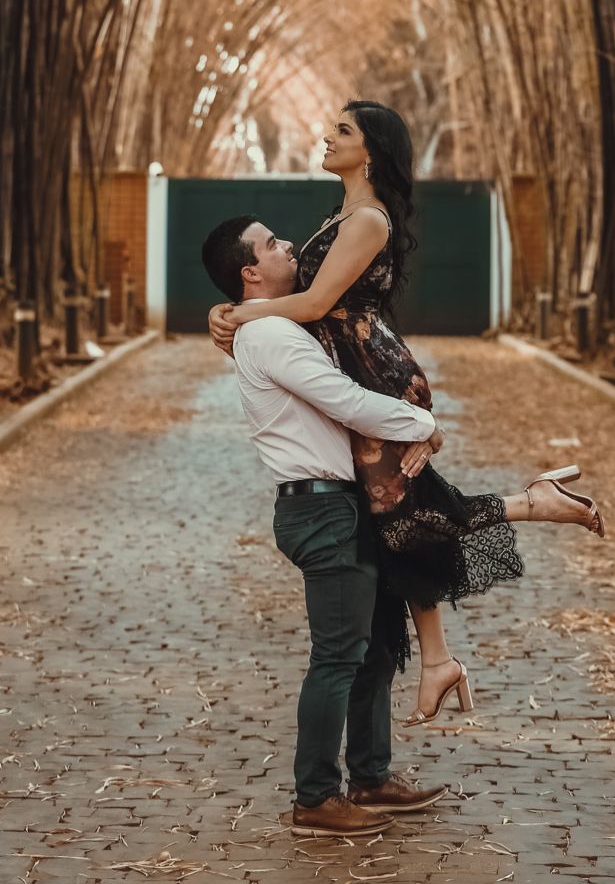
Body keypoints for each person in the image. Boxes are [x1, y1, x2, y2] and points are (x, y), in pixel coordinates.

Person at [209, 100, 605, 727]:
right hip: (356, 365)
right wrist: (230, 313)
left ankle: (531, 505)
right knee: (400, 519)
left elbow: (314, 304)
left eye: (342, 131)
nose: (326, 136)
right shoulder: (341, 213)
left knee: (403, 514)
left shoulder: (367, 218)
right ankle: (438, 658)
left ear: (371, 151)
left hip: (375, 372)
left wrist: (234, 313)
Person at [201, 213, 450, 838]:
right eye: (272, 243)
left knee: (375, 649)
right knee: (339, 655)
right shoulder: (270, 338)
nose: (288, 245)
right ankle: (315, 797)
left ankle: (369, 779)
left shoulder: (276, 324)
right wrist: (422, 424)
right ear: (251, 271)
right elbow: (344, 400)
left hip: (339, 502)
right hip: (320, 509)